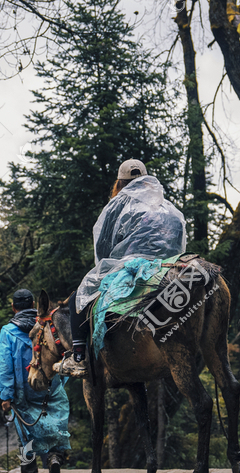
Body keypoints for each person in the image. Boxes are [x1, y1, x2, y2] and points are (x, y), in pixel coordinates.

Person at [56, 159, 187, 377]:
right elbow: (179, 235)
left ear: (120, 183)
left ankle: (78, 356)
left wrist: (108, 266)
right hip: (169, 265)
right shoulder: (166, 206)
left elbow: (103, 247)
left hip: (130, 266)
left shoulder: (117, 205)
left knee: (78, 296)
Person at [0, 289, 71, 473]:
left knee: (25, 433)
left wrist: (6, 395)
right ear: (32, 306)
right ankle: (54, 458)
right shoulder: (48, 325)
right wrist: (60, 383)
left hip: (23, 390)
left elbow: (4, 366)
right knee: (56, 424)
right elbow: (63, 353)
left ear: (14, 307)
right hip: (50, 385)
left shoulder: (8, 332)